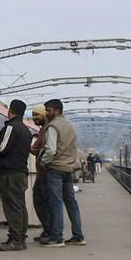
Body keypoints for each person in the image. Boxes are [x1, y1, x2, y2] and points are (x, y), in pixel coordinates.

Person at [0, 99, 34, 251]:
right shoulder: (25, 129)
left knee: (12, 207)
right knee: (19, 206)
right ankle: (20, 237)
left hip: (11, 174)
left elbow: (2, 148)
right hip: (19, 172)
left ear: (10, 110)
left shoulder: (11, 127)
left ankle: (16, 239)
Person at [39, 100, 84, 247]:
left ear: (57, 110)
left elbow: (51, 150)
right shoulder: (70, 125)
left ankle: (57, 237)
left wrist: (43, 162)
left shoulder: (52, 126)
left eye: (48, 110)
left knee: (56, 203)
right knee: (71, 203)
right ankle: (78, 236)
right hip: (68, 169)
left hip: (55, 169)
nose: (46, 113)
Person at [30, 105, 54, 244]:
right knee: (42, 202)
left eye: (37, 114)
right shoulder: (42, 130)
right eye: (33, 114)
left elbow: (48, 150)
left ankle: (50, 231)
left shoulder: (47, 130)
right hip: (42, 172)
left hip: (45, 173)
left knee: (42, 202)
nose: (34, 117)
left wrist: (35, 152)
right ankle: (48, 230)